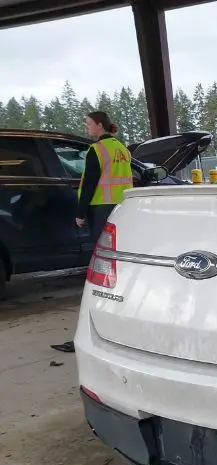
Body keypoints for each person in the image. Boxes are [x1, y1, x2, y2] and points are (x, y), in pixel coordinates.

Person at [51, 111, 134, 354]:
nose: (86, 127)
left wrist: (80, 213)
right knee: (118, 264)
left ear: (99, 125)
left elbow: (89, 183)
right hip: (123, 210)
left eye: (88, 124)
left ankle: (98, 324)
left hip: (101, 210)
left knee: (102, 268)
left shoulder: (96, 151)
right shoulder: (122, 149)